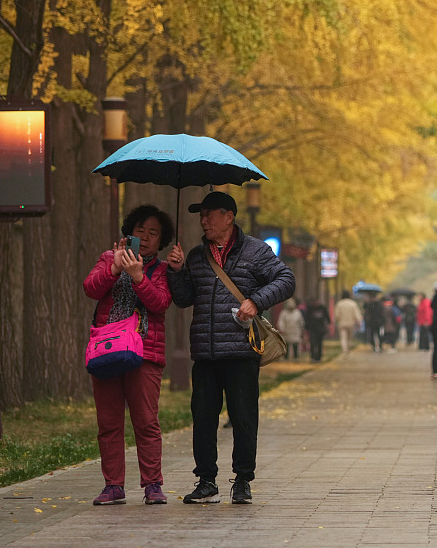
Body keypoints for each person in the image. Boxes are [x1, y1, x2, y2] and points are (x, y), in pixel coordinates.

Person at [167, 191, 296, 505]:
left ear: (229, 216)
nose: (204, 220)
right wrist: (176, 270)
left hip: (240, 351)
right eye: (201, 215)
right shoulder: (196, 256)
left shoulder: (255, 251)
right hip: (206, 352)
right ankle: (206, 480)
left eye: (209, 214)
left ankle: (242, 480)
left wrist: (256, 301)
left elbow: (286, 279)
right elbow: (184, 299)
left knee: (243, 417)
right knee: (204, 418)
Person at [83, 204, 174, 506]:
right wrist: (115, 269)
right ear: (129, 232)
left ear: (161, 242)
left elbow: (160, 303)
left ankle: (152, 484)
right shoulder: (110, 258)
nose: (145, 238)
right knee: (108, 422)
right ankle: (113, 486)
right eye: (140, 231)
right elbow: (91, 288)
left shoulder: (162, 270)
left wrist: (139, 277)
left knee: (145, 421)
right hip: (107, 350)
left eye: (153, 234)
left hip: (144, 353)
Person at [305, 297, 330, 362]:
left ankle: (318, 358)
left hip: (320, 329)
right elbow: (306, 318)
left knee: (319, 344)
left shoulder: (322, 308)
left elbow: (327, 317)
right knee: (312, 343)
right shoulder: (310, 308)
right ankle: (313, 357)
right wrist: (306, 327)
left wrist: (328, 324)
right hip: (312, 329)